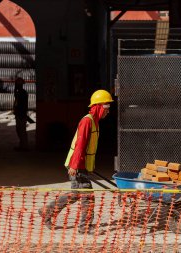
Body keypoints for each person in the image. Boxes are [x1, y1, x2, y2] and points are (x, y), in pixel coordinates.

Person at [38, 89, 113, 234]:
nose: (108, 111)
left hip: (82, 166)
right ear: (98, 107)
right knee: (88, 197)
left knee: (75, 195)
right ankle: (85, 227)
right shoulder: (87, 121)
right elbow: (80, 145)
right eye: (106, 107)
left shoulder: (95, 122)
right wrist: (74, 165)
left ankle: (47, 211)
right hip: (77, 166)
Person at [13, 77, 29, 151]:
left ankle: (24, 146)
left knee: (21, 130)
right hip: (19, 113)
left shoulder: (22, 93)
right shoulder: (20, 92)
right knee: (19, 130)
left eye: (16, 84)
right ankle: (22, 145)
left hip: (21, 114)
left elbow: (20, 104)